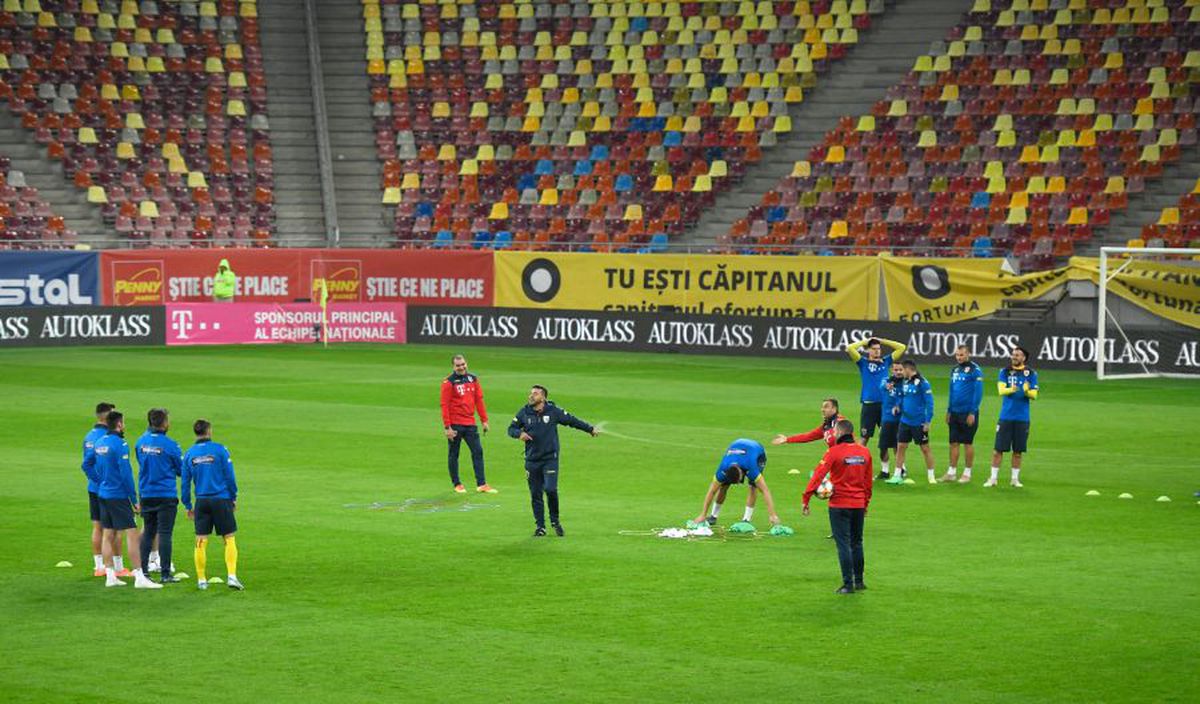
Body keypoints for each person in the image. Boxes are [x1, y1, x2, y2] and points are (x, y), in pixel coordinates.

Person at [507, 385, 597, 537]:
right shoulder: (524, 412)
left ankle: (555, 521)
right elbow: (511, 429)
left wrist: (590, 429)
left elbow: (572, 420)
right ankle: (540, 527)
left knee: (550, 489)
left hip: (550, 459)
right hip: (532, 460)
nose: (531, 396)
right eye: (530, 393)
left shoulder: (553, 411)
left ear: (543, 397)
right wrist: (519, 434)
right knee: (535, 494)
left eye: (535, 394)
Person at [802, 419, 873, 594]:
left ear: (839, 433)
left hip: (839, 505)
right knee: (857, 542)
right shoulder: (865, 452)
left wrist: (806, 498)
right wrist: (865, 503)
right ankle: (859, 581)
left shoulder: (833, 452)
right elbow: (867, 482)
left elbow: (818, 475)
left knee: (843, 545)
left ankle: (847, 585)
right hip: (858, 504)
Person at [94, 412, 160, 589]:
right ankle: (140, 576)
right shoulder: (121, 444)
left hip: (103, 494)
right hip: (118, 495)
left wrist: (103, 482)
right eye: (123, 423)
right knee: (132, 534)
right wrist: (134, 498)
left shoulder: (99, 444)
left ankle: (110, 575)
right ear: (119, 424)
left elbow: (94, 467)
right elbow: (126, 474)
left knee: (108, 534)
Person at [182, 419, 243, 590]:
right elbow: (230, 476)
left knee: (201, 539)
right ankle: (232, 576)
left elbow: (185, 483)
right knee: (229, 537)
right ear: (209, 431)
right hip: (221, 499)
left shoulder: (189, 454)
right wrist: (233, 496)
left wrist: (187, 505)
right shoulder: (220, 450)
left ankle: (201, 580)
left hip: (201, 501)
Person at [136, 408, 183, 583]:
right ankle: (165, 574)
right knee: (165, 533)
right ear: (163, 423)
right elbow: (181, 470)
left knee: (148, 532)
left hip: (146, 493)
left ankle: (143, 572)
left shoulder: (140, 442)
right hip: (165, 494)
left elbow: (141, 462)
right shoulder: (171, 445)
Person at [440, 354, 496, 494]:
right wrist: (447, 427)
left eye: (463, 364)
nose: (461, 367)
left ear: (466, 364)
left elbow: (479, 400)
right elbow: (444, 405)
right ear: (453, 366)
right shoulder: (448, 382)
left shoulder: (473, 379)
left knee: (478, 451)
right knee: (454, 454)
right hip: (455, 424)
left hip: (470, 423)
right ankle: (457, 483)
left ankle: (481, 484)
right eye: (458, 365)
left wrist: (484, 420)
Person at [693, 438, 780, 528]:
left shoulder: (751, 467)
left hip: (757, 451)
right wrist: (703, 514)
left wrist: (772, 515)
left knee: (753, 486)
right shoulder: (723, 468)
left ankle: (746, 519)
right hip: (737, 447)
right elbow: (712, 491)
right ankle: (713, 516)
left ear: (742, 473)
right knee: (723, 486)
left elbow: (765, 490)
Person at [82, 402, 125, 578]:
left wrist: (97, 481)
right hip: (110, 490)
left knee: (97, 526)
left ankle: (99, 566)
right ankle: (118, 567)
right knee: (115, 529)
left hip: (94, 487)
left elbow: (87, 464)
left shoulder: (88, 436)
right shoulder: (109, 438)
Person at [987, 347, 1039, 488]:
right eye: (1013, 354)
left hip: (1022, 418)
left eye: (1017, 355)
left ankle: (1014, 479)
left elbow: (1034, 395)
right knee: (998, 450)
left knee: (1018, 451)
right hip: (1006, 416)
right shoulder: (1004, 371)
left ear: (1024, 358)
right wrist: (1013, 389)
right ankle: (993, 478)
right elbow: (1001, 390)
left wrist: (1027, 391)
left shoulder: (1031, 373)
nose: (1014, 357)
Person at [844, 336, 907, 445]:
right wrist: (866, 341)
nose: (877, 350)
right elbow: (850, 348)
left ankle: (898, 463)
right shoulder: (863, 363)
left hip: (885, 405)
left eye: (878, 348)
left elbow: (902, 347)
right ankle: (857, 461)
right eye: (874, 348)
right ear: (868, 350)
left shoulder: (886, 361)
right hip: (869, 405)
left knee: (890, 437)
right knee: (864, 438)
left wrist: (882, 340)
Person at [888, 359, 937, 485]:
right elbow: (902, 397)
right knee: (901, 447)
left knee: (925, 448)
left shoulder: (923, 383)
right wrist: (898, 405)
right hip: (905, 421)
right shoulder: (906, 382)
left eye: (902, 370)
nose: (901, 373)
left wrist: (928, 421)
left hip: (918, 422)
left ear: (908, 369)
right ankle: (897, 475)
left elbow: (929, 403)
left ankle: (931, 477)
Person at [942, 346, 984, 483]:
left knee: (967, 443)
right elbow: (951, 390)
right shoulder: (954, 369)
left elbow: (978, 393)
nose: (959, 357)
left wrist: (973, 412)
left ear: (968, 354)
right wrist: (949, 410)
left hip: (967, 413)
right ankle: (951, 472)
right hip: (954, 412)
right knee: (953, 442)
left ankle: (967, 473)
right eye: (957, 355)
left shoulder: (975, 370)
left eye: (961, 355)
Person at [771, 398, 846, 450]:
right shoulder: (826, 425)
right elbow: (809, 436)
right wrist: (787, 439)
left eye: (826, 407)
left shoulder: (841, 422)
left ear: (834, 409)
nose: (822, 410)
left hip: (845, 459)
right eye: (822, 407)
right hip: (836, 458)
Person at [877, 363, 905, 481]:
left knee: (898, 445)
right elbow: (882, 386)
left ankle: (901, 469)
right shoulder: (886, 380)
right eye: (896, 370)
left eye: (900, 369)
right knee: (883, 446)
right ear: (891, 370)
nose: (898, 372)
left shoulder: (906, 383)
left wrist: (898, 406)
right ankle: (885, 471)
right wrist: (887, 385)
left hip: (901, 419)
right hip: (887, 419)